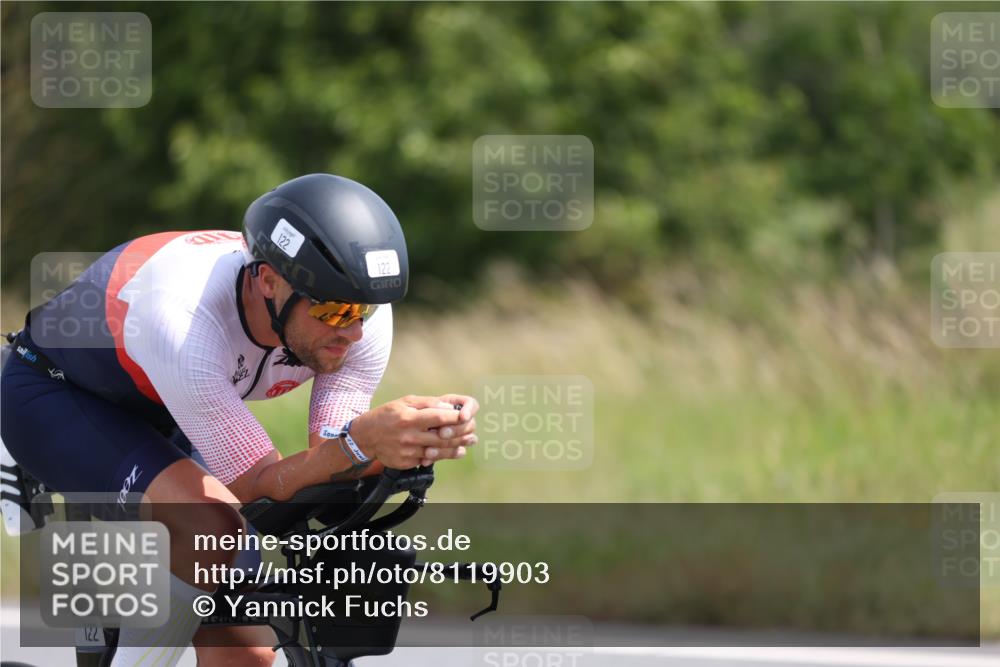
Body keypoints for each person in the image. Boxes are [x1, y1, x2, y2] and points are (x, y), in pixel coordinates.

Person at [0, 173, 479, 667]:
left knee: (249, 654)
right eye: (336, 313)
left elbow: (329, 453)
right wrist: (362, 446)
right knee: (213, 526)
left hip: (170, 402)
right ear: (269, 281)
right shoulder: (184, 316)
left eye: (365, 310)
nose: (355, 332)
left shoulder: (355, 312)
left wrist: (406, 441)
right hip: (58, 394)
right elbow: (256, 486)